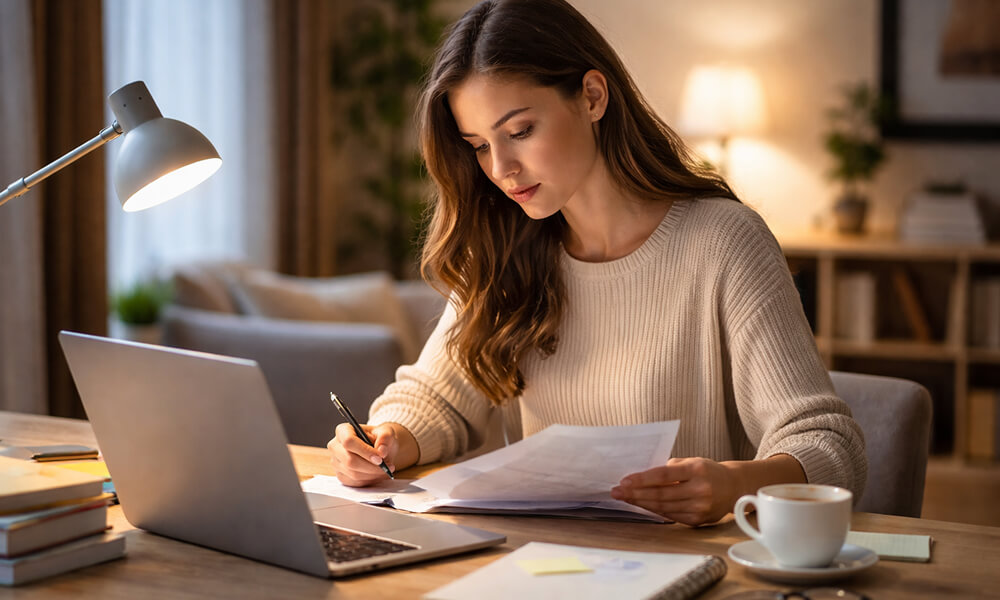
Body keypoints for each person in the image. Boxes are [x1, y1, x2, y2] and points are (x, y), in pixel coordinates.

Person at [327, 0, 866, 526]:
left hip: (691, 566)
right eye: (479, 145)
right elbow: (436, 396)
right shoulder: (501, 245)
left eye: (519, 132)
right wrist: (386, 438)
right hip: (541, 568)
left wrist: (733, 486)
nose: (502, 168)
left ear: (591, 96)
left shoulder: (723, 244)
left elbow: (826, 443)